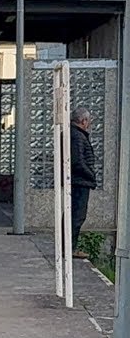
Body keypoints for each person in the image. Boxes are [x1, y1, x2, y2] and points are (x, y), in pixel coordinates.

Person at [69, 106, 99, 259]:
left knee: (75, 215)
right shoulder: (78, 137)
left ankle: (69, 247)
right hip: (80, 182)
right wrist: (91, 175)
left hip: (79, 181)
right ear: (83, 120)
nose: (89, 124)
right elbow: (78, 161)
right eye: (88, 120)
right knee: (77, 216)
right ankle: (70, 248)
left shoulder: (76, 135)